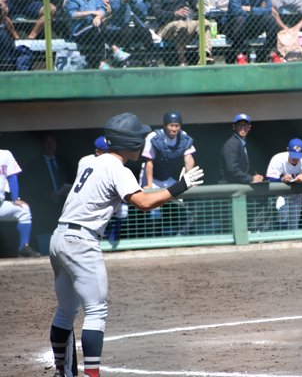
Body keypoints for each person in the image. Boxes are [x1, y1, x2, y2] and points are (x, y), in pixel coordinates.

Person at [47, 112, 203, 377]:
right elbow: (143, 204)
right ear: (129, 142)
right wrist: (180, 187)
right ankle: (92, 374)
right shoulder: (118, 169)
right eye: (139, 137)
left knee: (65, 311)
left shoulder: (90, 161)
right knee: (96, 310)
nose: (142, 142)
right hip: (81, 242)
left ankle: (62, 371)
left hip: (58, 238)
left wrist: (166, 193)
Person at [142, 111, 197, 234]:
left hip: (168, 178)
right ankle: (151, 239)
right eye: (171, 125)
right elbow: (149, 162)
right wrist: (149, 186)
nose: (174, 129)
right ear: (165, 125)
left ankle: (179, 235)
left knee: (179, 205)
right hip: (152, 177)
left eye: (177, 126)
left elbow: (189, 159)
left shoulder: (184, 137)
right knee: (152, 208)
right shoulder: (154, 137)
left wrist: (188, 179)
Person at [22, 132, 75, 255]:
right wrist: (46, 194)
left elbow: (74, 181)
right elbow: (30, 187)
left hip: (64, 205)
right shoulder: (34, 165)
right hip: (44, 206)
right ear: (42, 145)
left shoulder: (64, 162)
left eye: (52, 142)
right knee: (46, 235)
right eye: (47, 142)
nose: (50, 145)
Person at [150, 0, 214, 66]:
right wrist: (175, 13)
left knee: (205, 23)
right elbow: (157, 13)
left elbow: (193, 1)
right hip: (165, 26)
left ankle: (205, 56)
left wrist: (199, 6)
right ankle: (182, 60)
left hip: (186, 22)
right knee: (181, 25)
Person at [78, 135, 127, 245]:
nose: (109, 153)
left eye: (110, 150)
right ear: (98, 151)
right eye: (106, 151)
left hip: (109, 195)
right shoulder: (86, 161)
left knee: (123, 209)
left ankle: (114, 234)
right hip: (91, 198)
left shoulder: (114, 161)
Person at [265, 138, 302, 229]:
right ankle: (280, 240)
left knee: (294, 221)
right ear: (287, 150)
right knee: (282, 215)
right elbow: (271, 179)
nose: (295, 158)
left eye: (298, 155)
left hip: (296, 192)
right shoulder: (278, 158)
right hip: (282, 192)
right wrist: (282, 179)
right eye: (293, 155)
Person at [224, 0, 280, 64]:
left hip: (253, 25)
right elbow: (236, 11)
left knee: (270, 19)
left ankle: (272, 52)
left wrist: (249, 9)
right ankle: (240, 54)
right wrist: (260, 10)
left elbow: (268, 10)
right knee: (240, 19)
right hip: (233, 27)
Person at [0, 148, 40, 257]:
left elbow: (12, 176)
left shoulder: (5, 154)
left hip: (0, 204)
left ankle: (23, 248)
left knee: (24, 209)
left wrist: (15, 198)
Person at [107, 0, 156, 65]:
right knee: (127, 31)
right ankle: (125, 61)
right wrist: (124, 0)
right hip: (121, 27)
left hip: (137, 26)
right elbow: (117, 12)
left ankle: (151, 59)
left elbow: (144, 11)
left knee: (146, 32)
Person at [219, 113, 264, 184]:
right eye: (240, 125)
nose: (243, 128)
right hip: (230, 189)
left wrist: (255, 177)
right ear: (234, 127)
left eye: (245, 125)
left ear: (249, 127)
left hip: (237, 187)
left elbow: (244, 168)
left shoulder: (241, 143)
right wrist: (251, 178)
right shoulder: (232, 144)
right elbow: (232, 169)